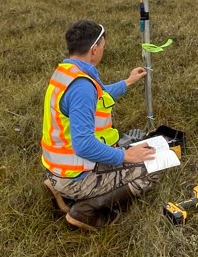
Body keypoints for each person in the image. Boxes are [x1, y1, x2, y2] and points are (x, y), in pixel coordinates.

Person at [41, 20, 158, 231]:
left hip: (60, 168)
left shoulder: (67, 72)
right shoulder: (82, 87)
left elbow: (99, 96)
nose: (103, 51)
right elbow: (84, 145)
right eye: (103, 47)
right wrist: (126, 156)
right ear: (94, 50)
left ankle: (58, 188)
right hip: (77, 176)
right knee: (155, 165)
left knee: (141, 155)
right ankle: (85, 211)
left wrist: (128, 81)